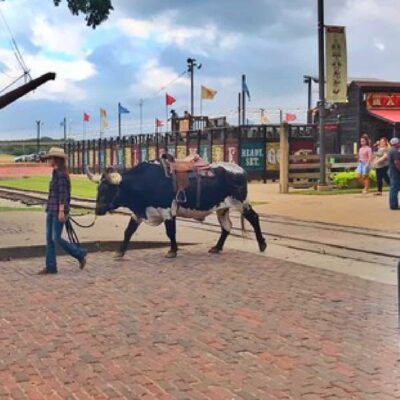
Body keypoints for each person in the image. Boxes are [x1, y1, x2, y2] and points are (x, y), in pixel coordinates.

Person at [38, 147, 87, 275]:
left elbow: (63, 195)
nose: (48, 160)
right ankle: (50, 266)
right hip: (51, 208)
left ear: (56, 159)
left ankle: (79, 253)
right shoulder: (55, 173)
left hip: (57, 210)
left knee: (56, 238)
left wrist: (61, 210)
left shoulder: (60, 174)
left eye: (50, 158)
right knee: (49, 239)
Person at [387, 137, 400, 210]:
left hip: (392, 171)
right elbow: (397, 162)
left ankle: (394, 204)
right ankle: (393, 205)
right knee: (394, 188)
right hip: (395, 172)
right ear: (396, 143)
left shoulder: (390, 150)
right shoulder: (395, 151)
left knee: (394, 188)